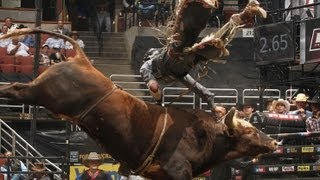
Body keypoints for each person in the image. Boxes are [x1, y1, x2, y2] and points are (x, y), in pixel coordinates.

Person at [140, 1, 266, 109]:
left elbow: (154, 86)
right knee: (215, 42)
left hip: (178, 57)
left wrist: (158, 100)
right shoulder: (177, 74)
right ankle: (244, 14)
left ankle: (190, 5)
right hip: (189, 59)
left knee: (183, 38)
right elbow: (196, 87)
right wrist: (211, 102)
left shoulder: (148, 65)